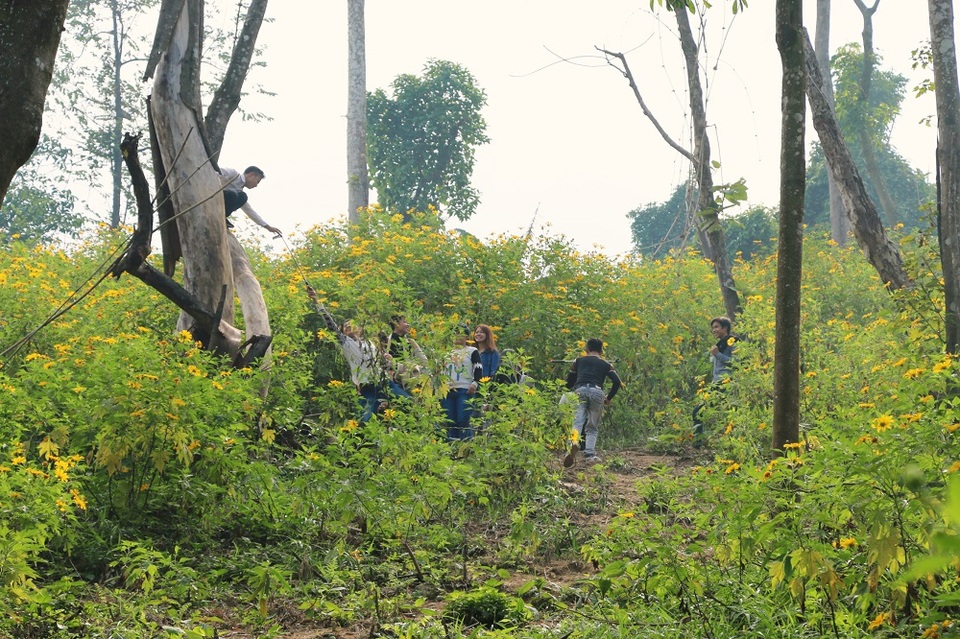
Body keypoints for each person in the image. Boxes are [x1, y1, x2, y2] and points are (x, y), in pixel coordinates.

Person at [306, 286, 384, 423]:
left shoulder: (370, 343)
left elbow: (380, 362)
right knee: (365, 419)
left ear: (360, 328)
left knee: (405, 401)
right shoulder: (346, 342)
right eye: (345, 326)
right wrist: (316, 300)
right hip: (366, 386)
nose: (348, 326)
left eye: (351, 324)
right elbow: (331, 324)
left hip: (382, 383)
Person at [563, 338, 622, 466]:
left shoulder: (578, 361)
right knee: (592, 426)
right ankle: (590, 454)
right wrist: (609, 398)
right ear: (601, 351)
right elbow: (617, 382)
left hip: (580, 390)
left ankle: (573, 444)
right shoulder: (606, 364)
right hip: (597, 392)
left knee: (577, 422)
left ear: (586, 349)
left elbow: (569, 383)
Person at [692, 316, 737, 444]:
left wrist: (718, 354)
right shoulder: (719, 345)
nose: (714, 330)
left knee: (727, 414)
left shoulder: (733, 342)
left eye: (717, 327)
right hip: (716, 383)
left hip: (726, 383)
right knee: (700, 411)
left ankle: (700, 443)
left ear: (725, 328)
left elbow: (737, 363)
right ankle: (699, 442)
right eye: (713, 327)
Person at [442, 324, 483, 441]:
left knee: (463, 420)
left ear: (466, 337)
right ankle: (453, 449)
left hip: (465, 389)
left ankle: (466, 448)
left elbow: (478, 367)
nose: (456, 336)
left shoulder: (471, 351)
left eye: (460, 334)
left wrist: (475, 383)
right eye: (454, 333)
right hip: (448, 390)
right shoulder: (446, 353)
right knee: (450, 421)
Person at [218, 165, 282, 236]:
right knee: (233, 194)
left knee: (243, 196)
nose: (256, 185)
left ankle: (222, 215)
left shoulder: (240, 193)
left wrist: (267, 227)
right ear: (251, 175)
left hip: (222, 204)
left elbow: (250, 211)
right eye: (257, 181)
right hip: (214, 195)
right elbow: (215, 172)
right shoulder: (233, 174)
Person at [387, 314, 428, 398]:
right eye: (404, 322)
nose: (408, 325)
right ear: (396, 324)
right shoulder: (388, 342)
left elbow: (424, 360)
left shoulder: (410, 342)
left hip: (410, 379)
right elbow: (387, 363)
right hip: (395, 381)